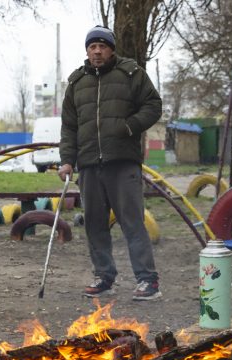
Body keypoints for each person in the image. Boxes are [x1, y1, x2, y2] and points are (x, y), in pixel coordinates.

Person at [58, 25, 164, 301]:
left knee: (132, 222)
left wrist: (130, 127)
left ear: (111, 49)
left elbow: (153, 104)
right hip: (89, 164)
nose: (97, 51)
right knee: (94, 223)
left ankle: (147, 281)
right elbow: (69, 126)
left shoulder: (130, 73)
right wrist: (67, 161)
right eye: (92, 46)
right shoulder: (77, 82)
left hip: (123, 163)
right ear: (86, 51)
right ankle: (104, 277)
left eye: (102, 46)